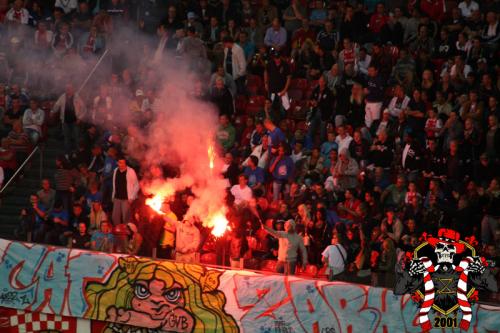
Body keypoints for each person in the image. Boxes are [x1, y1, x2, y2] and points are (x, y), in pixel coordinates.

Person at [51, 83, 86, 157]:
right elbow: (57, 105)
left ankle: (77, 153)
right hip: (65, 122)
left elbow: (84, 109)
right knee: (67, 138)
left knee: (76, 138)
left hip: (75, 121)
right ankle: (68, 153)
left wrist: (80, 118)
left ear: (73, 89)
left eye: (69, 88)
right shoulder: (63, 96)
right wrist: (52, 111)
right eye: (67, 88)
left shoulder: (77, 97)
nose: (68, 90)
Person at [111, 157, 139, 226]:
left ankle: (126, 234)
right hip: (117, 197)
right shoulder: (116, 170)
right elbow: (114, 184)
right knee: (115, 217)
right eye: (120, 162)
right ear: (117, 163)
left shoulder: (130, 171)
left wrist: (132, 197)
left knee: (126, 218)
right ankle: (117, 232)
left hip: (126, 199)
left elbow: (137, 185)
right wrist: (113, 195)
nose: (122, 164)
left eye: (123, 163)